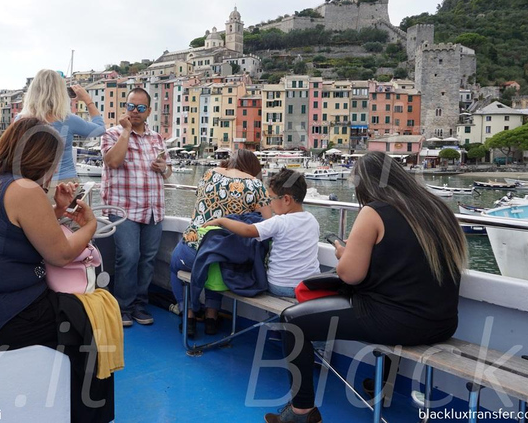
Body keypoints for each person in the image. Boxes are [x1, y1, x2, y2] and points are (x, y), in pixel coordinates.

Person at [267, 152, 467, 423]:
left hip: (400, 321)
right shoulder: (437, 207)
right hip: (443, 321)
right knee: (384, 309)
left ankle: (302, 411)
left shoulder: (374, 211)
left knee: (293, 320)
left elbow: (349, 275)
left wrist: (343, 255)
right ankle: (380, 385)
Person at [0, 117, 114, 423]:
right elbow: (61, 255)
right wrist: (89, 225)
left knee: (77, 315)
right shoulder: (25, 189)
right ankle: (92, 416)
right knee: (92, 322)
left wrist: (57, 212)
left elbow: (12, 230)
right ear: (42, 159)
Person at [170, 149, 271, 337]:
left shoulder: (209, 174)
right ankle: (211, 319)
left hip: (193, 252)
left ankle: (188, 315)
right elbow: (270, 222)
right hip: (229, 259)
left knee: (177, 264)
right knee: (216, 258)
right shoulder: (257, 186)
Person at [101, 87, 169, 328]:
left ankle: (140, 303)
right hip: (124, 208)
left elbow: (167, 171)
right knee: (128, 256)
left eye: (141, 108)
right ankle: (123, 307)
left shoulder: (157, 138)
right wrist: (127, 132)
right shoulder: (112, 134)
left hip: (153, 207)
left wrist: (164, 168)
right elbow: (112, 161)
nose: (135, 112)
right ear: (125, 107)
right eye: (131, 106)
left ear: (149, 111)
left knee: (148, 259)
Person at [204, 168, 320, 298]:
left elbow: (248, 230)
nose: (269, 204)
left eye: (271, 198)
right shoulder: (312, 220)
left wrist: (222, 221)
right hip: (309, 286)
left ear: (286, 200)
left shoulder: (279, 222)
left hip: (281, 286)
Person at [19, 69, 105, 192]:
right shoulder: (68, 120)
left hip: (32, 184)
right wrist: (87, 100)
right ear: (61, 93)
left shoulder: (20, 120)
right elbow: (100, 129)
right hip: (65, 183)